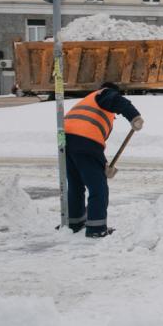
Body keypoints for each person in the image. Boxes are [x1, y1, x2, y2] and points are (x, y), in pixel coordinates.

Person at [64, 82, 144, 238]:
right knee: (98, 188)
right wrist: (134, 116)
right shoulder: (105, 93)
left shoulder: (90, 101)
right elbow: (89, 142)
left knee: (76, 184)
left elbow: (91, 147)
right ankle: (96, 228)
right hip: (84, 141)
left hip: (66, 141)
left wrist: (104, 166)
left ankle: (75, 223)